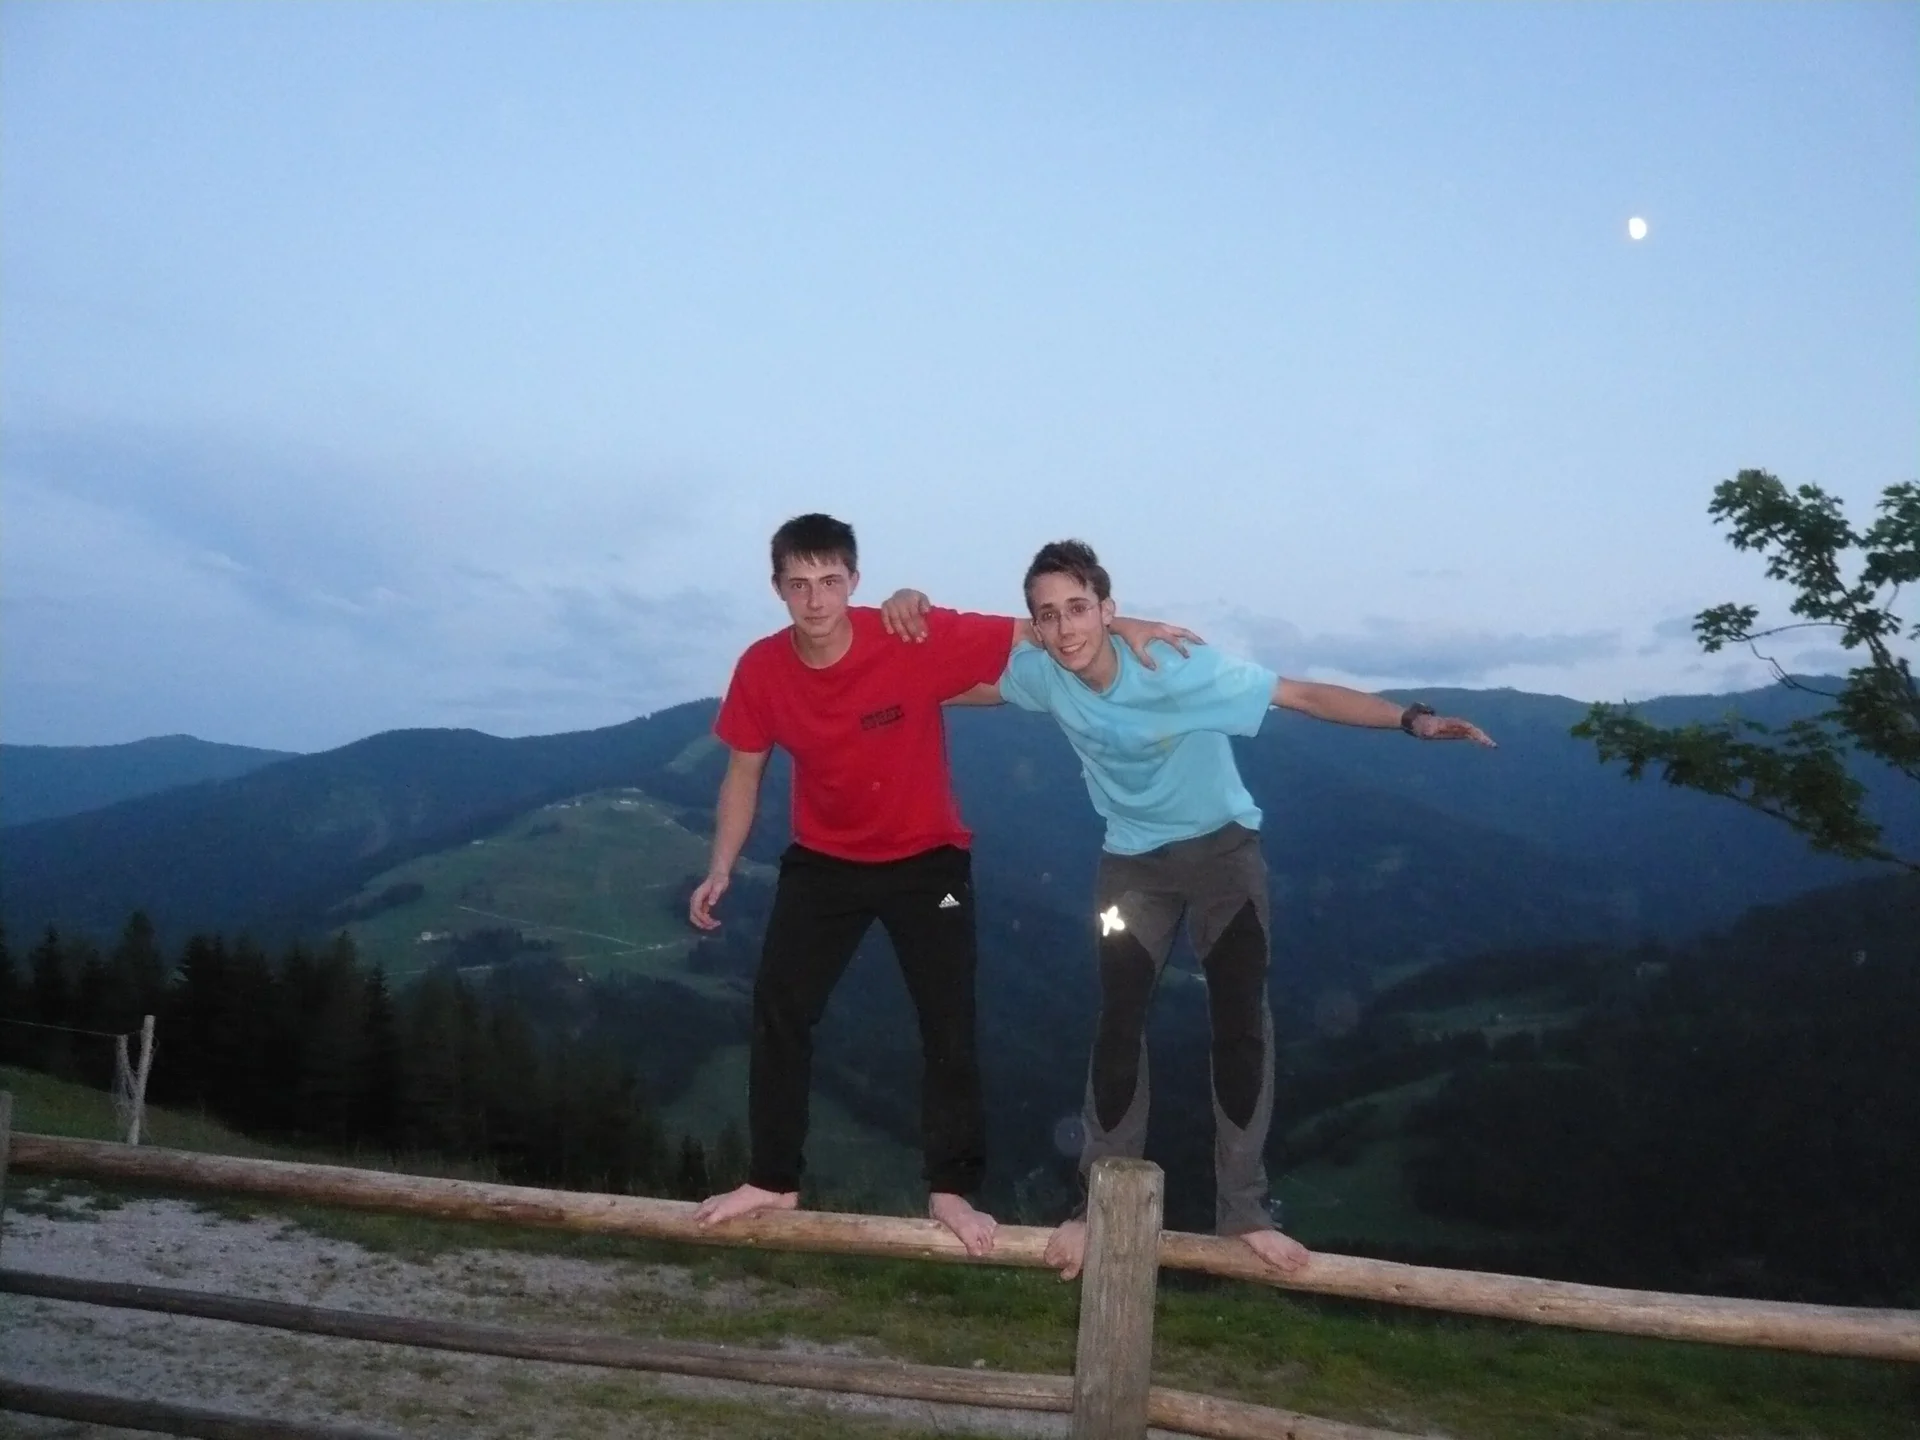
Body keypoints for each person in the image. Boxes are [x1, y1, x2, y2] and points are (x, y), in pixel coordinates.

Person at [883, 541, 1493, 1278]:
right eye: (1048, 615)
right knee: (1118, 1024)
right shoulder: (1044, 674)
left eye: (1079, 608)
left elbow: (1298, 694)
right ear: (1035, 629)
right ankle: (1094, 1207)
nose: (1066, 627)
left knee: (1238, 1022)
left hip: (1224, 859)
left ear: (1109, 611)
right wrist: (900, 624)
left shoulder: (1174, 666)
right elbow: (939, 682)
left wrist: (1413, 720)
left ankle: (1243, 1210)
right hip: (1131, 869)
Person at [689, 515, 1197, 1255]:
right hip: (823, 861)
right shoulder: (762, 668)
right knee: (779, 1008)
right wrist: (721, 866)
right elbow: (744, 769)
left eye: (830, 580)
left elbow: (1034, 632)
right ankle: (773, 1177)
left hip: (928, 863)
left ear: (853, 581)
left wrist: (1136, 624)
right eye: (798, 584)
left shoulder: (906, 636)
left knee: (947, 1020)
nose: (815, 598)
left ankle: (952, 1188)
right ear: (778, 590)